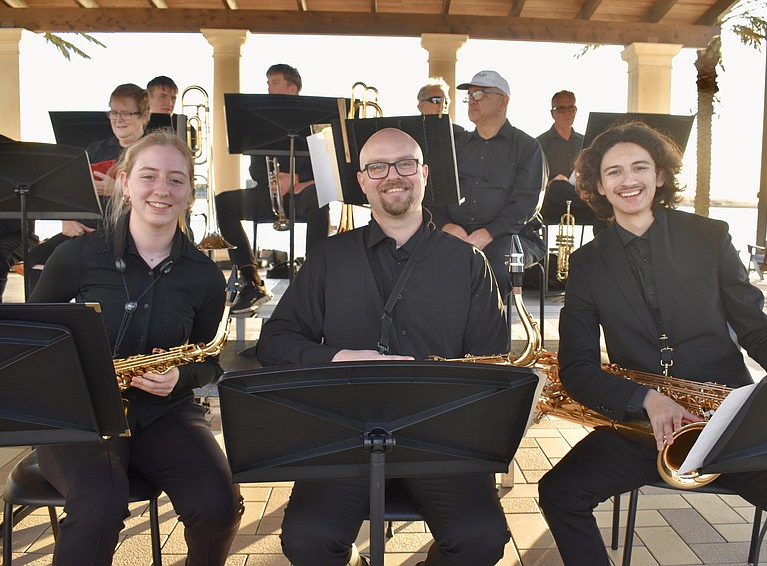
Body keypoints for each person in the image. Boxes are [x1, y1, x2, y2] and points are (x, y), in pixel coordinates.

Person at [537, 122, 767, 566]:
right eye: (614, 172)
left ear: (659, 175)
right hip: (643, 430)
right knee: (557, 492)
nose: (628, 180)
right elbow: (577, 367)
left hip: (729, 425)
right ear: (599, 186)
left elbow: (755, 328)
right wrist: (646, 400)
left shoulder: (710, 237)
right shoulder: (586, 264)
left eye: (639, 167)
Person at [256, 127, 510, 566]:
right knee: (306, 539)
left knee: (481, 538)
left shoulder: (470, 262)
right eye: (378, 166)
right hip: (345, 436)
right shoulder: (329, 256)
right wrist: (340, 357)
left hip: (440, 441)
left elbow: (494, 367)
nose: (393, 176)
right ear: (362, 180)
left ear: (425, 174)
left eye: (405, 164)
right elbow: (274, 342)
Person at [29, 130, 243, 565]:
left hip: (166, 412)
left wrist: (180, 377)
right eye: (149, 176)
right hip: (82, 416)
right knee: (99, 505)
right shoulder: (77, 256)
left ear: (189, 192)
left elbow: (209, 361)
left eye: (175, 180)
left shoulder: (204, 276)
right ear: (124, 182)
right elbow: (32, 340)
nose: (161, 190)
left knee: (218, 504)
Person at [216, 63, 330, 314]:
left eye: (274, 83)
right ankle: (250, 278)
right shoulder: (260, 119)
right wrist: (276, 181)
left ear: (293, 88)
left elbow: (326, 163)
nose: (268, 89)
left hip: (304, 194)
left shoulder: (317, 120)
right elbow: (255, 168)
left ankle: (314, 275)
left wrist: (296, 179)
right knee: (224, 201)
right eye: (268, 83)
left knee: (320, 199)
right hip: (271, 194)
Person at [429, 70, 546, 299]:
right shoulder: (455, 146)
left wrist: (489, 233)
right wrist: (446, 226)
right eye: (470, 95)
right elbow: (434, 195)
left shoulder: (527, 147)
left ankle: (486, 333)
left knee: (490, 270)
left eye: (480, 94)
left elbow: (526, 203)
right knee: (423, 262)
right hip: (455, 233)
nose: (472, 100)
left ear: (504, 101)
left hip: (510, 235)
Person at [26, 83, 150, 295]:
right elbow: (70, 191)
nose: (118, 119)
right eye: (113, 112)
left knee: (85, 264)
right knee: (35, 259)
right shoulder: (95, 149)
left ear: (144, 116)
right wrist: (68, 220)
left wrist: (119, 190)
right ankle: (45, 321)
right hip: (84, 232)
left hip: (129, 237)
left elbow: (157, 197)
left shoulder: (152, 151)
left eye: (126, 113)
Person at [537, 90, 606, 235]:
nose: (567, 113)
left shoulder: (587, 143)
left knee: (604, 207)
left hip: (583, 202)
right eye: (561, 108)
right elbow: (530, 181)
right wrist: (550, 182)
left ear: (576, 111)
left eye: (571, 108)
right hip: (554, 203)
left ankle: (602, 252)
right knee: (557, 187)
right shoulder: (539, 144)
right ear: (552, 113)